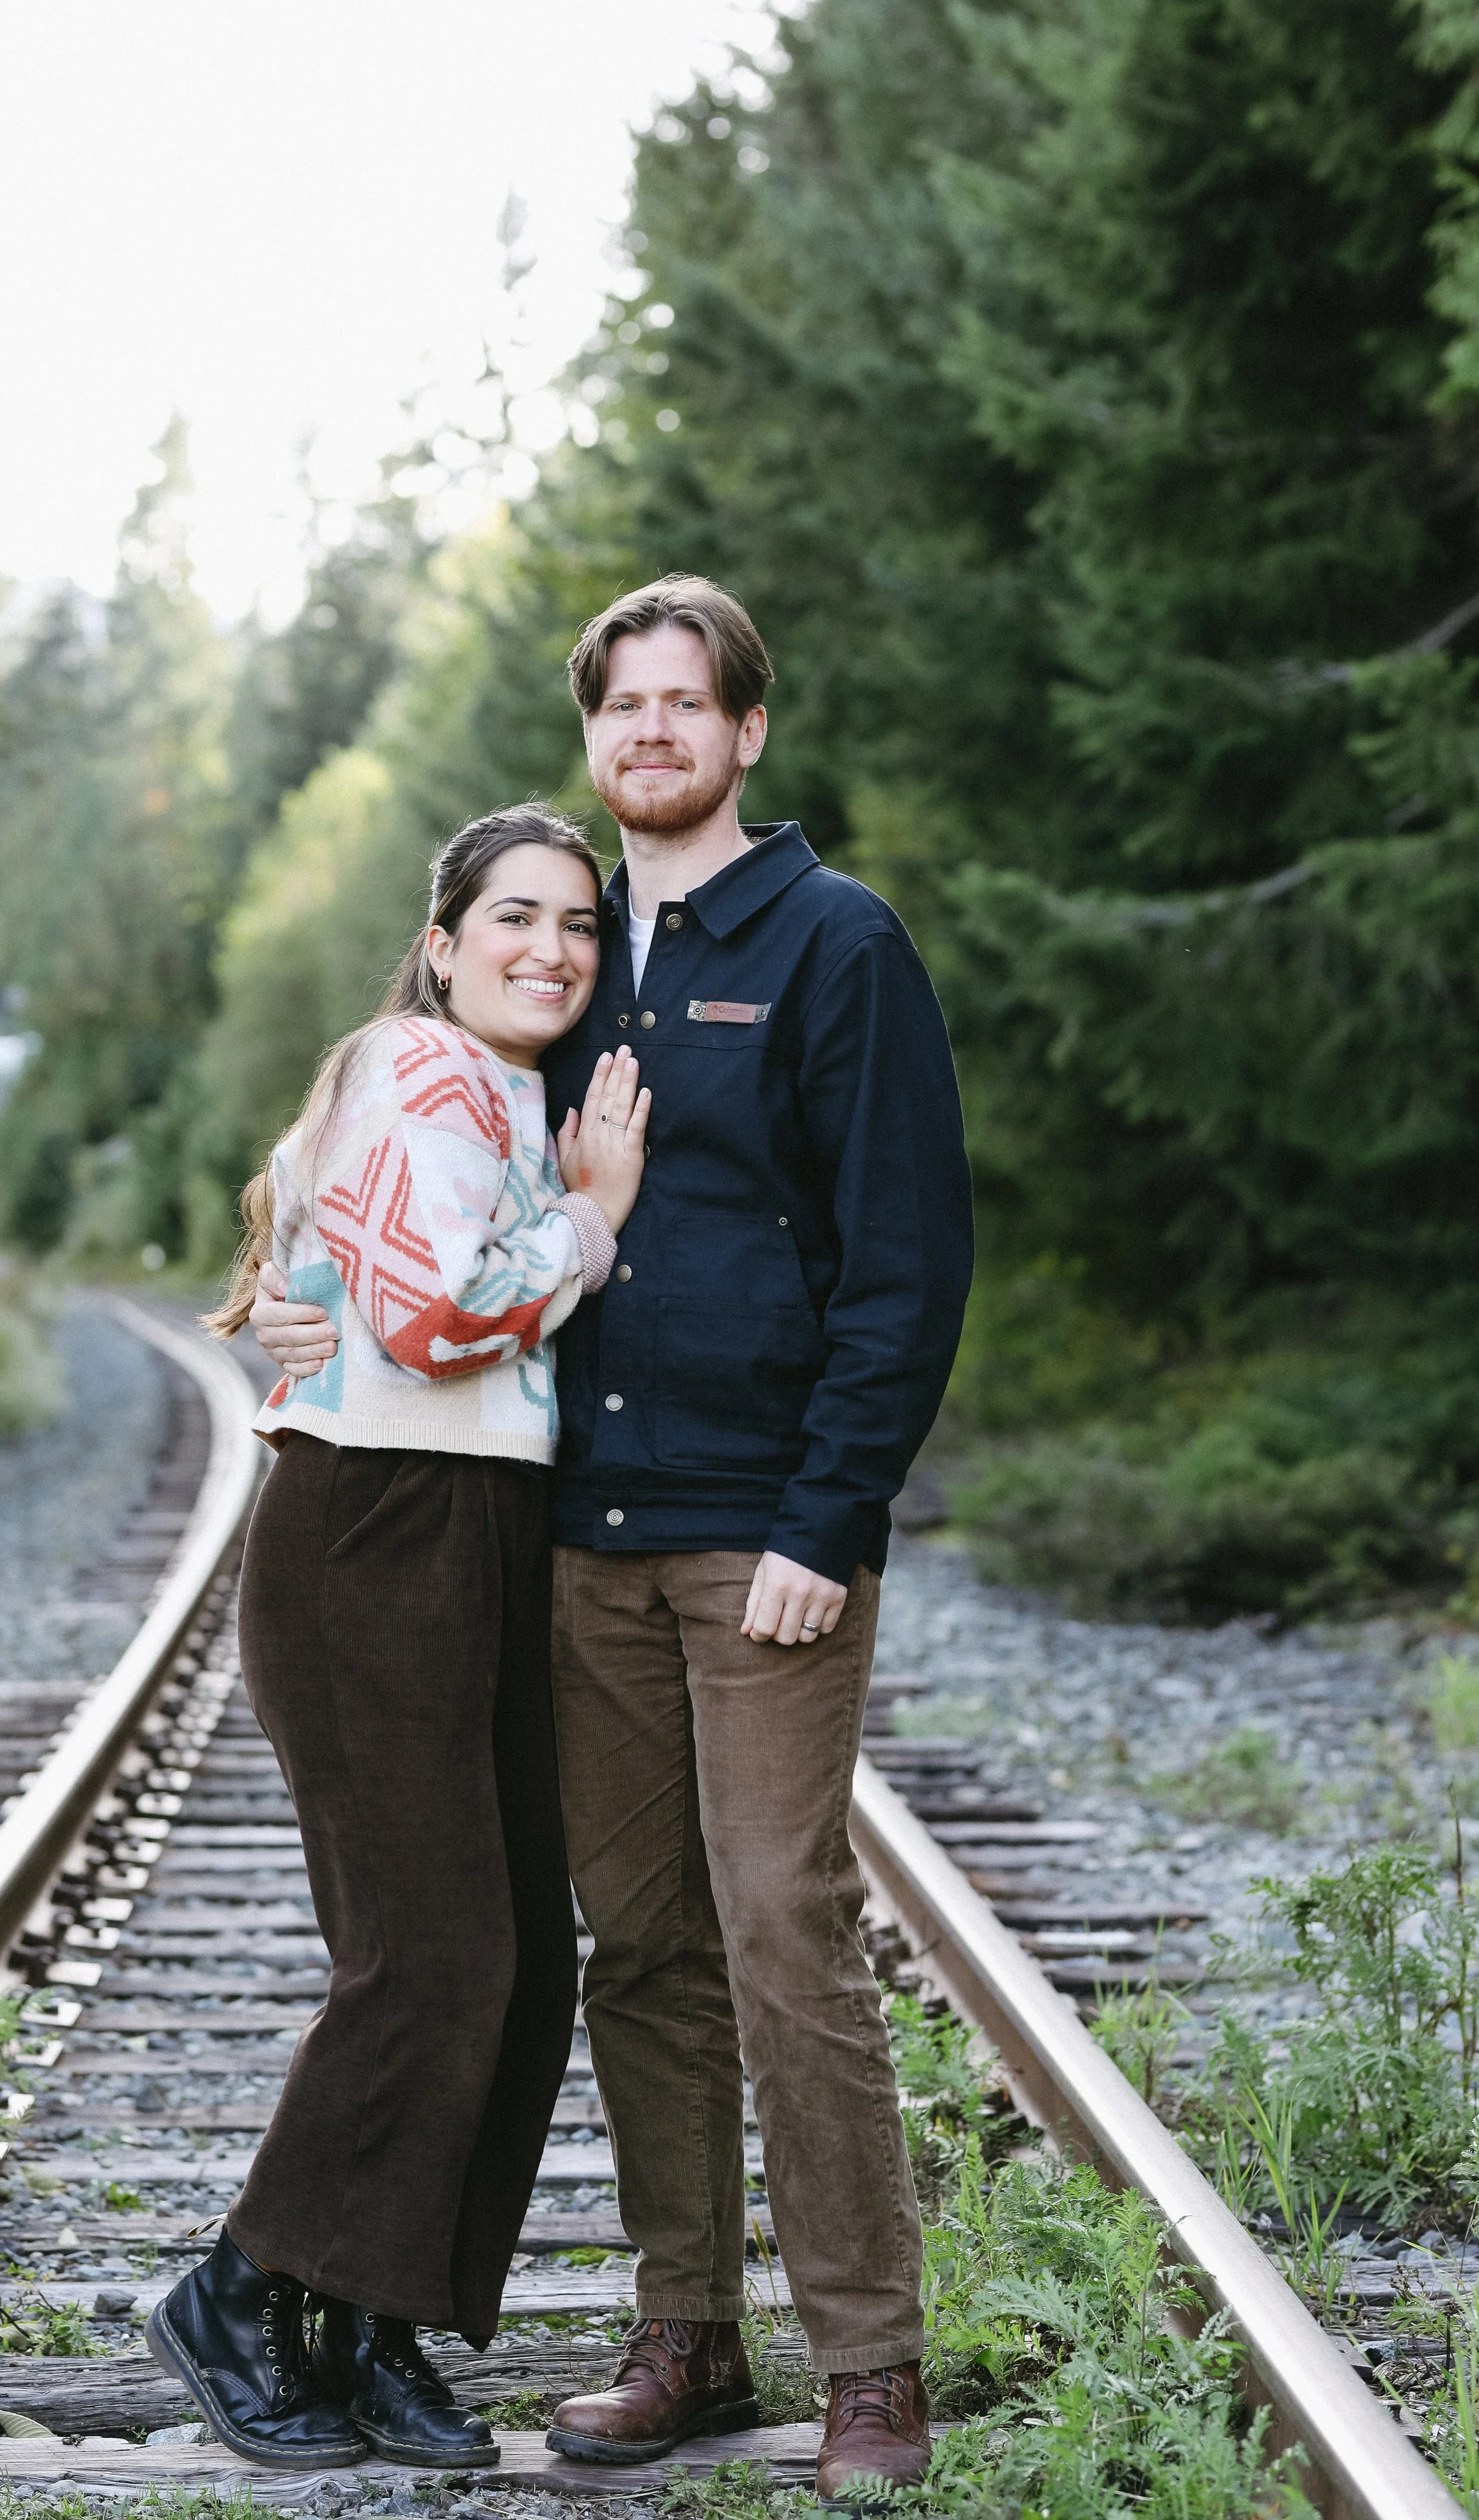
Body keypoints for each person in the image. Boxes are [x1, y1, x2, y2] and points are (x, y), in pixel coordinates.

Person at [253, 577, 974, 2508]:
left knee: (779, 1927)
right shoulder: (564, 954)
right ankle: (686, 2331)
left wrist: (834, 1514)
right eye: (623, 704)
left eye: (688, 703)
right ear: (595, 737)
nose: (653, 730)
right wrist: (296, 1288)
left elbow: (906, 1263)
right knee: (637, 1943)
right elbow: (395, 1143)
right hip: (578, 1538)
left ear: (747, 732)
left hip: (763, 1540)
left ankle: (867, 2361)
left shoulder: (834, 943)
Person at [148, 802, 652, 2474]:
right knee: (433, 1957)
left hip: (477, 1531)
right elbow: (437, 1319)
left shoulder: (496, 1096)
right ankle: (237, 2291)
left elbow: (332, 1288)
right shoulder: (417, 1070)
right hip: (377, 1535)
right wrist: (590, 1220)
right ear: (441, 942)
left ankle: (372, 2328)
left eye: (578, 927)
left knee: (517, 1959)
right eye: (513, 918)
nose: (549, 951)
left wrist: (549, 1212)